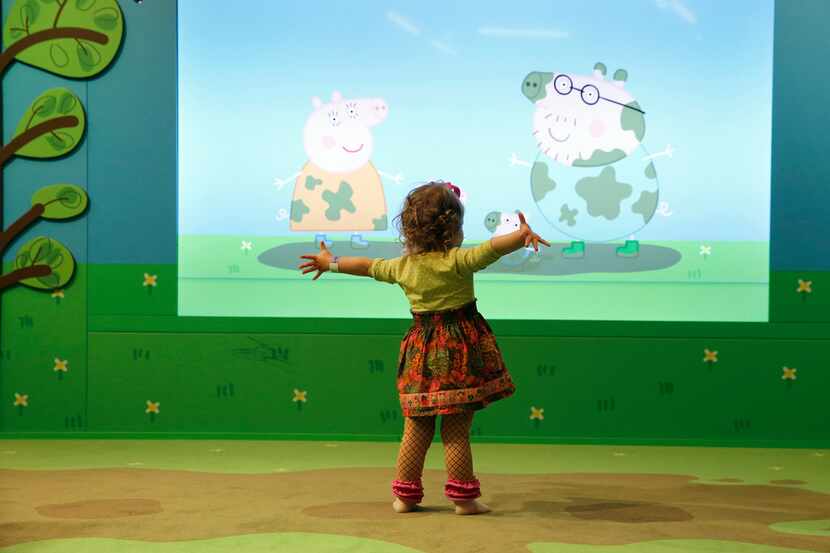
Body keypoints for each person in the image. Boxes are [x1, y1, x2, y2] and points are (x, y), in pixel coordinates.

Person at [298, 181, 550, 515]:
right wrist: (520, 237)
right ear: (454, 229)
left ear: (409, 230)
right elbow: (492, 248)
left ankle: (405, 497)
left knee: (416, 426)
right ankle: (463, 499)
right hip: (459, 350)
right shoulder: (457, 261)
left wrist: (331, 262)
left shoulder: (403, 267)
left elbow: (365, 266)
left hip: (420, 350)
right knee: (457, 428)